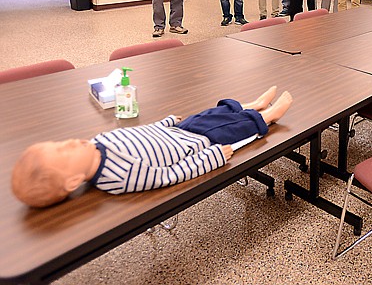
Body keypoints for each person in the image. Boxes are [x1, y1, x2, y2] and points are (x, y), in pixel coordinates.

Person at [11, 87, 293, 208]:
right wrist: (212, 158)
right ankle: (268, 116)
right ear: (73, 180)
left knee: (210, 113)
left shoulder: (98, 143)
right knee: (231, 129)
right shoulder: (117, 177)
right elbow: (169, 176)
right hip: (196, 144)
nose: (70, 142)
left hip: (178, 131)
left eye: (60, 143)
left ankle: (250, 105)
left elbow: (140, 131)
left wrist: (165, 122)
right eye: (65, 152)